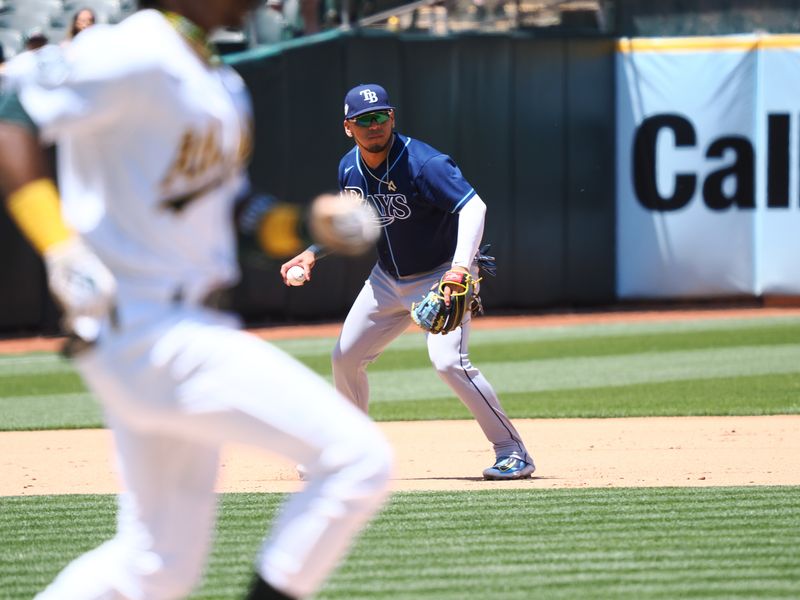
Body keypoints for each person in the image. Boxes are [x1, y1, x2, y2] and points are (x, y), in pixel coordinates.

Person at [0, 3, 392, 599]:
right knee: (356, 459)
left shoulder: (221, 81)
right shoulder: (132, 48)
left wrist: (307, 222)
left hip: (182, 322)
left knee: (156, 566)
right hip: (149, 324)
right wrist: (58, 248)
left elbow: (236, 216)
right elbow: (12, 111)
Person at [281, 83, 535, 480]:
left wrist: (459, 269)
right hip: (386, 280)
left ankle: (512, 451)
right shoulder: (349, 167)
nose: (373, 125)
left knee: (449, 362)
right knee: (345, 358)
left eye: (380, 116)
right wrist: (312, 253)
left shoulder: (423, 162)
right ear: (348, 127)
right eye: (363, 120)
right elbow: (350, 224)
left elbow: (474, 207)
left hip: (439, 276)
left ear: (392, 118)